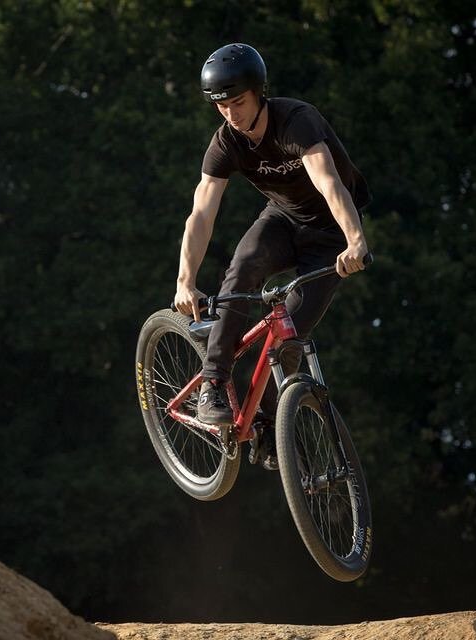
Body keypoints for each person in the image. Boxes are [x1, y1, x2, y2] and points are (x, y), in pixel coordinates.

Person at [173, 43, 371, 468]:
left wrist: (355, 239)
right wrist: (184, 281)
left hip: (330, 234)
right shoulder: (226, 141)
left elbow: (329, 182)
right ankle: (214, 383)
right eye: (221, 106)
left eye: (238, 102)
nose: (231, 114)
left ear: (259, 92)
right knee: (241, 270)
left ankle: (275, 429)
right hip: (281, 222)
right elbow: (201, 213)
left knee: (287, 343)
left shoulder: (296, 121)